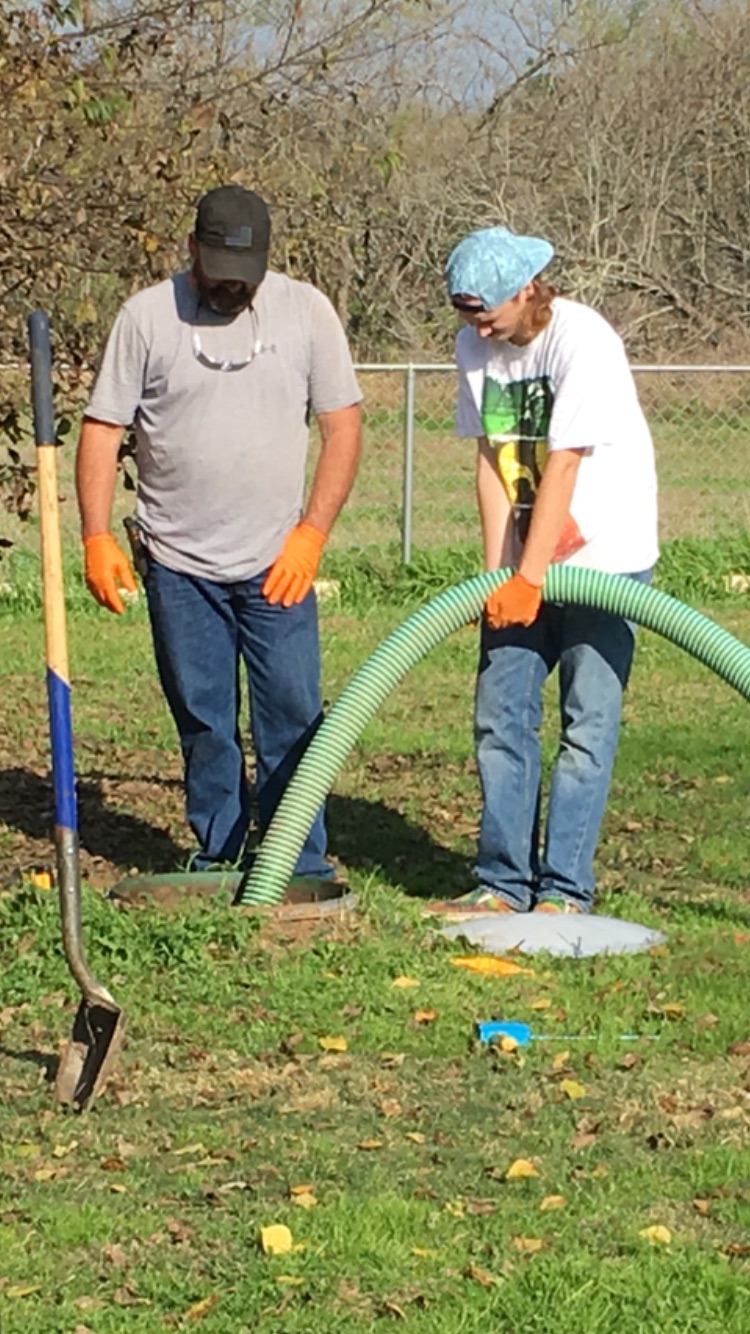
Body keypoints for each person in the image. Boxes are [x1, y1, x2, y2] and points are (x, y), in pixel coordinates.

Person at [76, 183, 362, 876]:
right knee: (204, 718)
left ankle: (296, 858)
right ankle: (221, 851)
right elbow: (101, 428)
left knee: (293, 715)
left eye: (246, 279)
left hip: (278, 562)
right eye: (218, 275)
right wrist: (95, 535)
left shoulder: (306, 312)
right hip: (177, 562)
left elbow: (344, 427)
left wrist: (311, 533)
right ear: (192, 253)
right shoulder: (146, 317)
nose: (232, 290)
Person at [427, 225, 658, 917]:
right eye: (466, 313)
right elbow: (493, 461)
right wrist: (500, 573)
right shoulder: (475, 345)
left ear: (528, 289)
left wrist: (532, 574)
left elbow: (564, 462)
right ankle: (502, 883)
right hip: (525, 558)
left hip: (603, 559)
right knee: (501, 717)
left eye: (487, 310)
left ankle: (564, 891)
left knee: (586, 725)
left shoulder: (583, 342)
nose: (477, 325)